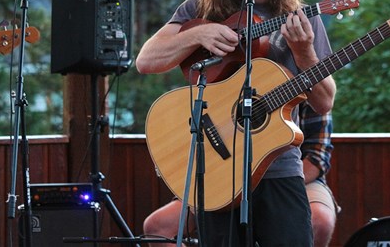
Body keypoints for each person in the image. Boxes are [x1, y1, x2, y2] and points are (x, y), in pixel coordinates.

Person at [136, 0, 336, 246]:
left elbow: (324, 101)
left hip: (278, 166)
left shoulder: (303, 19)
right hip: (216, 168)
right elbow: (147, 60)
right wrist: (199, 33)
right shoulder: (200, 9)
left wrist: (303, 52)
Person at [142, 103, 340, 247]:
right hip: (225, 173)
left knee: (320, 220)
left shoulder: (309, 87)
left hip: (297, 176)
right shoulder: (231, 76)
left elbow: (317, 159)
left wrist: (258, 180)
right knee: (157, 227)